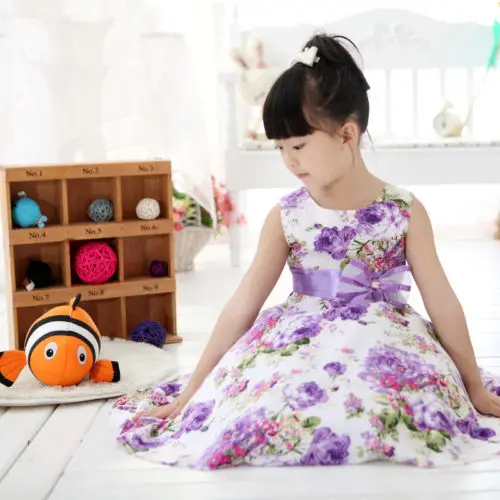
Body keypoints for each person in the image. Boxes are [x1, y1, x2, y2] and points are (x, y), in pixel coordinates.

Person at [110, 33, 500, 469]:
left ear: (347, 134)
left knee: (393, 399)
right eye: (280, 148)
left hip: (385, 335)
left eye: (298, 145)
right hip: (300, 337)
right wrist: (190, 394)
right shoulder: (287, 215)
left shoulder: (404, 210)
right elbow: (242, 305)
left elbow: (441, 301)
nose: (289, 160)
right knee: (272, 399)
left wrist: (474, 387)